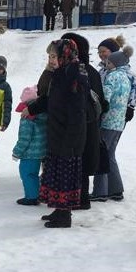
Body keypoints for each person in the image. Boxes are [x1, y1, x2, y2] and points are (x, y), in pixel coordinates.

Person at [27, 39, 88, 228]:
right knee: (56, 174)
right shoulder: (61, 73)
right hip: (57, 132)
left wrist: (70, 141)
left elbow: (77, 112)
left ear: (65, 55)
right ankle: (59, 209)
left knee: (65, 176)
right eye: (50, 56)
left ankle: (64, 216)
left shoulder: (75, 75)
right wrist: (32, 108)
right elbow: (50, 99)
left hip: (69, 136)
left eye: (54, 56)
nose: (51, 60)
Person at [61, 32, 107, 210]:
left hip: (80, 123)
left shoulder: (77, 71)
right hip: (90, 123)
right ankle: (82, 198)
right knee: (83, 160)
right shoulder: (91, 71)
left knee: (77, 159)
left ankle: (79, 199)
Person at [91, 49, 132, 202]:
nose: (106, 65)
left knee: (101, 154)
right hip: (119, 123)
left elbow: (105, 98)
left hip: (108, 121)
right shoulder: (126, 77)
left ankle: (100, 191)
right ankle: (115, 189)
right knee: (109, 155)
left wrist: (96, 108)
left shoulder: (112, 76)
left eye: (109, 62)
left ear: (116, 63)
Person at [12, 85, 47, 205]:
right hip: (41, 151)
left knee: (27, 174)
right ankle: (37, 194)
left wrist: (16, 152)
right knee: (34, 174)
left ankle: (32, 197)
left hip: (29, 153)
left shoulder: (27, 117)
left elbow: (24, 138)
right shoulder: (44, 114)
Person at [97, 36, 136, 122]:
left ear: (113, 52)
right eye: (99, 52)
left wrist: (131, 107)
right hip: (103, 111)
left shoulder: (125, 71)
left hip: (119, 112)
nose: (101, 54)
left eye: (103, 51)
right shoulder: (102, 71)